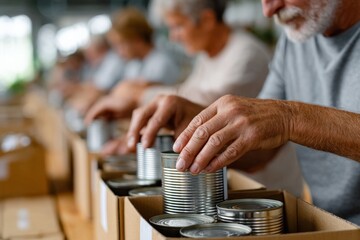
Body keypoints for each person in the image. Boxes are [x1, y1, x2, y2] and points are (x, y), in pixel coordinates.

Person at [125, 0, 360, 224]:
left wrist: (290, 117)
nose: (269, 10)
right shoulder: (295, 42)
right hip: (330, 224)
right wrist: (193, 121)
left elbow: (282, 119)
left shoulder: (254, 50)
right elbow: (261, 150)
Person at [85, 0, 270, 150]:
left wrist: (138, 94)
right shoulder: (207, 55)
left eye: (178, 26)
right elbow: (187, 92)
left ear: (207, 20)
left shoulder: (246, 54)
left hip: (261, 185)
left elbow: (209, 106)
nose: (173, 37)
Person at [72, 7, 180, 115]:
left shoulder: (162, 63)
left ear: (136, 39)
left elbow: (149, 101)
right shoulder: (134, 64)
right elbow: (121, 92)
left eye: (120, 44)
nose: (118, 52)